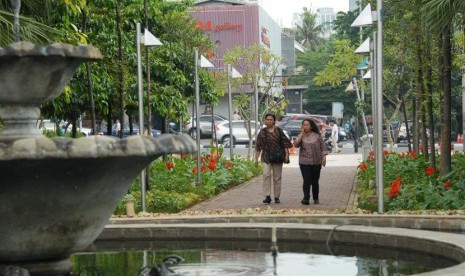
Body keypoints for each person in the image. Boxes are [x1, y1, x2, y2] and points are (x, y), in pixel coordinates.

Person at [255, 113, 291, 204]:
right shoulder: (262, 132)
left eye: (271, 119)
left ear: (274, 121)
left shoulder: (279, 131)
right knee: (266, 175)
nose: (269, 121)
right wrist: (256, 159)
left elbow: (285, 143)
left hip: (278, 157)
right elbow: (258, 146)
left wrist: (287, 155)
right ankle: (267, 196)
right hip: (266, 157)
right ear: (265, 120)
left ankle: (277, 197)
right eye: (267, 119)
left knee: (277, 177)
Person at [294, 118, 327, 205]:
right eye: (304, 125)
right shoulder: (301, 135)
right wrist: (302, 133)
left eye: (307, 125)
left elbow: (323, 147)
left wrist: (324, 158)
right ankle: (306, 198)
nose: (305, 126)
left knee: (315, 181)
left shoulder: (317, 135)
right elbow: (296, 144)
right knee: (306, 180)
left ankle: (316, 198)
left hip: (316, 162)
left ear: (311, 126)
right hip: (304, 162)